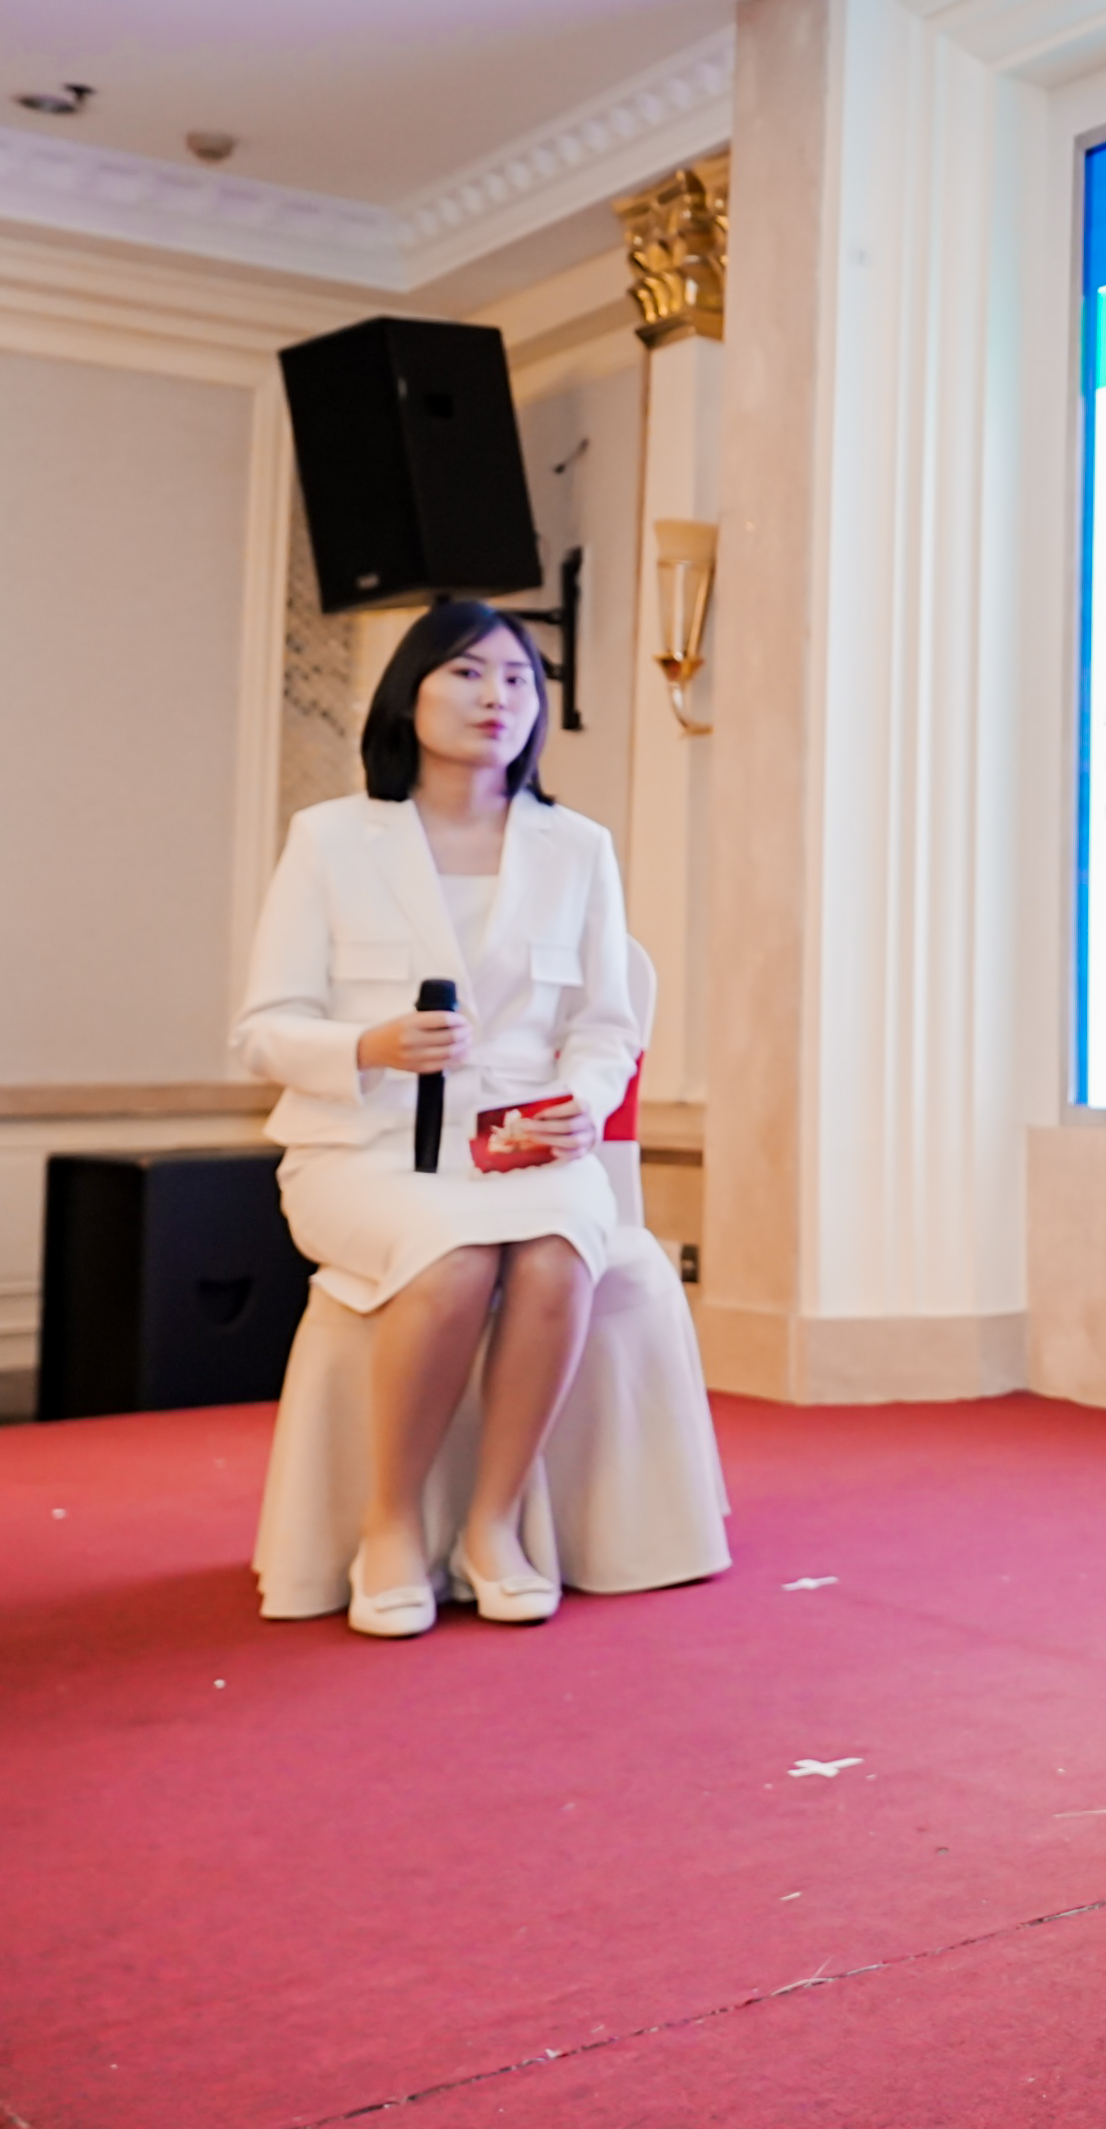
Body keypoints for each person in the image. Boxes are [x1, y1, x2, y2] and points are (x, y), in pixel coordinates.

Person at [238, 600, 715, 1636]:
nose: (496, 695)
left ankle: (493, 1525)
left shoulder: (577, 847)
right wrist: (369, 1045)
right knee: (452, 1256)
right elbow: (263, 1030)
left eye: (517, 678)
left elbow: (604, 1026)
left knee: (555, 1252)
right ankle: (389, 1525)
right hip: (363, 1153)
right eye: (465, 672)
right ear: (407, 695)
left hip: (524, 1152)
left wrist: (582, 1106)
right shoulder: (331, 839)